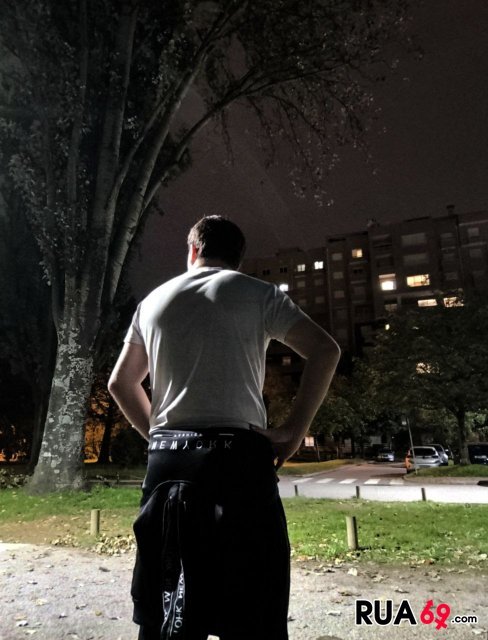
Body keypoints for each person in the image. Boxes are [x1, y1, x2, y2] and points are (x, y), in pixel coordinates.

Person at [108, 215, 340, 640]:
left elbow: (121, 383)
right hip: (240, 463)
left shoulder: (153, 301)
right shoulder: (259, 294)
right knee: (254, 612)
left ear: (192, 249)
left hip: (168, 469)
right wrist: (293, 430)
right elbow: (325, 350)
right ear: (238, 259)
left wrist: (159, 438)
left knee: (167, 614)